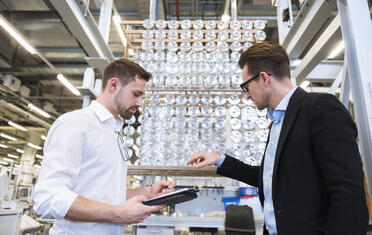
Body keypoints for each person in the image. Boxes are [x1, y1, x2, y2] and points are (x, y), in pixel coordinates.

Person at [187, 42, 369, 235]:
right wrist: (220, 160)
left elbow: (349, 195)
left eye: (246, 86)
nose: (247, 95)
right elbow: (271, 178)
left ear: (264, 78)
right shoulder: (279, 120)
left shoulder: (320, 108)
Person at [33, 58, 175, 235]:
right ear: (114, 85)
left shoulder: (114, 133)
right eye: (136, 94)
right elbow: (48, 198)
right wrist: (119, 214)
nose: (140, 104)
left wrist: (148, 192)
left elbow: (108, 196)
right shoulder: (75, 124)